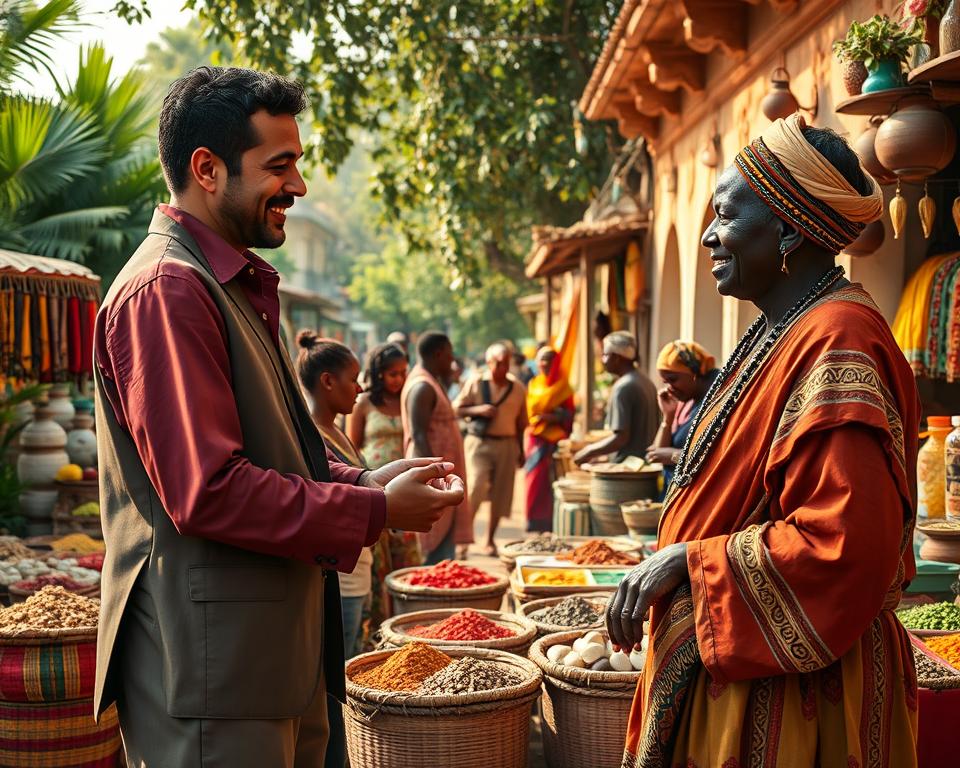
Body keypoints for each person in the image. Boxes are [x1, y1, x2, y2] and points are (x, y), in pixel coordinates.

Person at [92, 66, 464, 766]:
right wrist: (374, 512)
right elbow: (209, 490)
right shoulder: (167, 290)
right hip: (211, 677)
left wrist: (363, 483)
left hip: (259, 667)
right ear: (207, 169)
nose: (297, 186)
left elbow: (272, 450)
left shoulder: (225, 282)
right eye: (279, 165)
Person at [612, 115, 919, 767]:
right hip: (732, 670)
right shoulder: (786, 327)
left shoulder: (838, 339)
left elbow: (843, 545)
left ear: (786, 228)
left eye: (725, 214)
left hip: (794, 698)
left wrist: (688, 562)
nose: (707, 235)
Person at [293, 332, 366, 768]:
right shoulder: (312, 437)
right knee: (335, 690)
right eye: (353, 380)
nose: (360, 388)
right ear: (327, 381)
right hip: (341, 575)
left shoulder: (334, 429)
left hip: (356, 571)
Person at [401, 331, 473, 564]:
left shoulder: (433, 382)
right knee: (433, 549)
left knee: (444, 549)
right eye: (449, 356)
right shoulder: (422, 386)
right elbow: (418, 435)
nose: (452, 362)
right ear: (439, 354)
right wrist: (434, 479)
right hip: (435, 480)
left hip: (442, 476)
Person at [454, 342, 529, 556]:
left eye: (506, 363)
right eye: (498, 363)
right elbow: (456, 408)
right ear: (489, 362)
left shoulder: (517, 388)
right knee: (475, 488)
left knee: (501, 494)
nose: (502, 368)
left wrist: (521, 451)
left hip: (507, 444)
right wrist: (479, 409)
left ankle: (489, 540)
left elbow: (522, 423)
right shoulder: (477, 382)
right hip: (479, 443)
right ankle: (464, 540)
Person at [573, 331, 659, 465]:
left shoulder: (623, 387)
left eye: (605, 355)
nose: (603, 360)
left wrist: (588, 451)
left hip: (628, 469)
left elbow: (621, 438)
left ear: (617, 357)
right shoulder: (646, 381)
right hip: (645, 466)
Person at [644, 341, 719, 488]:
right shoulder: (686, 400)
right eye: (665, 382)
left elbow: (717, 456)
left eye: (673, 380)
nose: (669, 388)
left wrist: (674, 455)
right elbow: (658, 452)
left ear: (694, 373)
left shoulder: (715, 401)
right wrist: (668, 417)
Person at [524, 345, 574, 532]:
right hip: (534, 440)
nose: (544, 363)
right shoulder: (533, 384)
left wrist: (550, 417)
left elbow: (569, 415)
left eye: (548, 359)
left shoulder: (564, 386)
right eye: (541, 359)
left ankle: (550, 525)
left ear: (556, 363)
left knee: (551, 483)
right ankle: (533, 522)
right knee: (533, 482)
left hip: (554, 442)